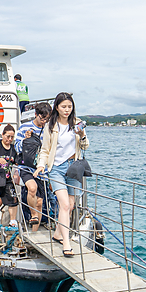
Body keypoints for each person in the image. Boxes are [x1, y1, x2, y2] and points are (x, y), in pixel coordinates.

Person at [35, 92, 89, 257]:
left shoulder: (78, 124)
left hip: (74, 168)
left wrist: (81, 135)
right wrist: (40, 166)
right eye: (63, 106)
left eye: (69, 106)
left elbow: (85, 146)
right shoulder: (50, 126)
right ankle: (66, 243)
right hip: (56, 169)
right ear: (56, 107)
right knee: (64, 204)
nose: (67, 110)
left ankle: (58, 233)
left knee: (71, 205)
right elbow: (45, 150)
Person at [15, 102, 52, 230]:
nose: (44, 122)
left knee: (40, 202)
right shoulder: (25, 127)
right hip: (26, 166)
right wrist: (25, 140)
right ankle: (33, 215)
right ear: (36, 115)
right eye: (42, 118)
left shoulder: (49, 130)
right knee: (32, 188)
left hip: (42, 169)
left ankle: (34, 233)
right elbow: (17, 148)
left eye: (47, 119)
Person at [0, 124, 19, 228]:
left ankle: (13, 221)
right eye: (8, 136)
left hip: (8, 178)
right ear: (3, 135)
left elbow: (17, 162)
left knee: (13, 199)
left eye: (12, 137)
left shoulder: (13, 148)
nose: (10, 139)